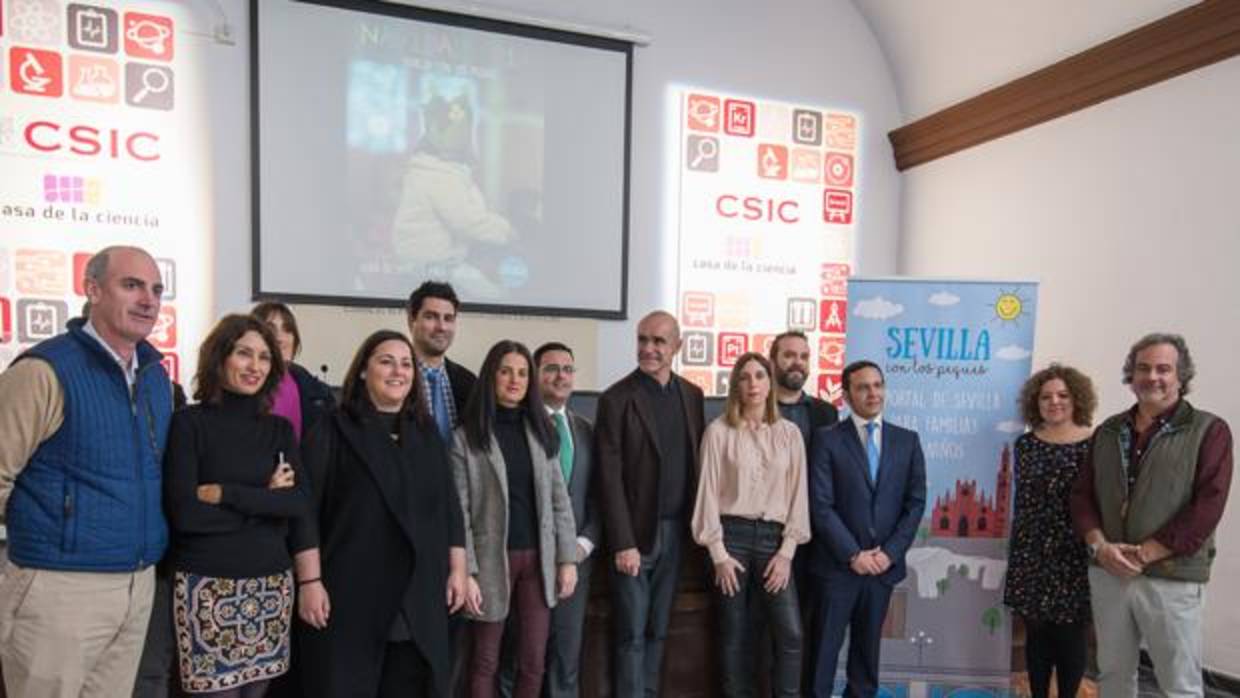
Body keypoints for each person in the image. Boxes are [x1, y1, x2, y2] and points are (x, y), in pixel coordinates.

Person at [0, 245, 171, 698]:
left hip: (136, 586)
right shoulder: (44, 371)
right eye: (131, 285)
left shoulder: (155, 377)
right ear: (92, 289)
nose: (148, 300)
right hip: (58, 588)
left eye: (156, 289)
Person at [291, 330, 472, 697]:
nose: (398, 371)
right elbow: (304, 513)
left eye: (406, 364)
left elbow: (449, 506)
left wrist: (459, 569)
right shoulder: (332, 429)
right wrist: (309, 583)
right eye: (386, 361)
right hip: (352, 595)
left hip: (419, 595)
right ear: (362, 370)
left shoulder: (425, 434)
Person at [1070, 333, 1233, 697]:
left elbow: (1209, 504)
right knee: (1112, 676)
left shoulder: (1209, 430)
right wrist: (1100, 547)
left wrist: (1145, 553)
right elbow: (1082, 496)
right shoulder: (1109, 431)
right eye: (1143, 368)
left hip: (1171, 576)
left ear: (1181, 376)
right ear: (1131, 374)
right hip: (1108, 571)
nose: (1153, 377)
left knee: (1179, 684)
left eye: (1164, 368)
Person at [162, 314, 309, 696]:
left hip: (271, 587)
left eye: (264, 357)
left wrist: (229, 494)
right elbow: (186, 515)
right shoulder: (187, 424)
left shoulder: (279, 430)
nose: (255, 366)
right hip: (207, 588)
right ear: (219, 358)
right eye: (244, 354)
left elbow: (295, 504)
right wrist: (265, 502)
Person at [451, 340, 578, 698]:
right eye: (506, 371)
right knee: (485, 662)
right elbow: (458, 511)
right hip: (491, 562)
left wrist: (567, 560)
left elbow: (559, 502)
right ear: (491, 376)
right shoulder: (467, 438)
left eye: (523, 373)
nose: (514, 380)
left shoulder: (541, 433)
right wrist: (468, 572)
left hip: (538, 562)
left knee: (533, 661)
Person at [595, 310, 707, 697]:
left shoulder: (692, 396)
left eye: (658, 341)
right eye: (642, 339)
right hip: (634, 538)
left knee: (660, 630)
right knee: (632, 633)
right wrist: (623, 541)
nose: (648, 348)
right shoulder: (616, 399)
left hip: (677, 535)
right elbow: (607, 479)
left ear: (676, 346)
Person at [691, 352, 809, 698]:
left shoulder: (789, 434)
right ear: (735, 386)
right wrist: (718, 555)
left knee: (791, 634)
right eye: (745, 377)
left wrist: (787, 553)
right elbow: (707, 496)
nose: (753, 383)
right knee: (734, 635)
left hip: (775, 541)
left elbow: (798, 498)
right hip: (732, 542)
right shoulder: (718, 432)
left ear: (770, 383)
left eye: (760, 376)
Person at [806, 360, 926, 698]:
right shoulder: (826, 440)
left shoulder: (907, 441)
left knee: (866, 656)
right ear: (846, 395)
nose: (873, 393)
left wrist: (888, 555)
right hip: (837, 568)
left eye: (878, 385)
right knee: (822, 656)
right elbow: (821, 505)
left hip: (881, 572)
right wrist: (852, 554)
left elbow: (915, 504)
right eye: (863, 387)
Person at [1003, 364, 1096, 698]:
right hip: (1031, 551)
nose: (1054, 401)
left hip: (1074, 553)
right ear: (1035, 402)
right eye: (1046, 396)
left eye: (1062, 395)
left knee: (1071, 637)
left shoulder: (1095, 443)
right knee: (1037, 635)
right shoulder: (1025, 445)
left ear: (1076, 399)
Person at [390, 95, 517, 299]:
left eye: (465, 130)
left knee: (492, 289)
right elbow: (466, 220)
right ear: (433, 131)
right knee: (496, 296)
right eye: (452, 129)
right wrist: (507, 231)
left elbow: (471, 213)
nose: (460, 136)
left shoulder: (448, 171)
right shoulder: (436, 174)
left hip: (443, 263)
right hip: (431, 267)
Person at [534, 341, 601, 698]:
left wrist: (582, 545)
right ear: (535, 375)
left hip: (577, 562)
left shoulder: (587, 429)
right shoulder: (521, 426)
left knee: (566, 661)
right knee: (524, 659)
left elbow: (598, 496)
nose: (561, 376)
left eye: (567, 369)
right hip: (529, 561)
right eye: (551, 368)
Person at [252, 301, 337, 440]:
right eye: (271, 329)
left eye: (287, 329)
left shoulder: (318, 394)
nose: (280, 338)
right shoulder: (241, 388)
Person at [407, 281, 477, 445]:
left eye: (448, 319)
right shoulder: (397, 379)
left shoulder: (469, 382)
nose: (442, 327)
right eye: (431, 317)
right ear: (411, 320)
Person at [770, 331, 839, 451]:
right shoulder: (753, 407)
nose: (798, 362)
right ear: (772, 363)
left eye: (804, 357)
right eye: (789, 355)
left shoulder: (827, 413)